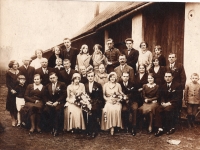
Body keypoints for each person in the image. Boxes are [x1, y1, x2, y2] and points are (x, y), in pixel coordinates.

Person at [154, 71, 182, 137]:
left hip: (174, 104)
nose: (167, 78)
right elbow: (161, 96)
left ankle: (171, 127)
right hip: (165, 103)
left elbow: (178, 98)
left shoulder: (178, 85)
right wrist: (163, 102)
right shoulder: (163, 86)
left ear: (172, 77)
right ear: (164, 78)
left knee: (168, 110)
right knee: (158, 109)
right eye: (166, 77)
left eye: (169, 76)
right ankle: (160, 128)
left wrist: (169, 103)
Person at [43, 72, 67, 136]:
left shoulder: (62, 84)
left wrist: (57, 102)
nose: (52, 79)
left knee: (57, 110)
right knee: (46, 110)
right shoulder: (48, 85)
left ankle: (57, 129)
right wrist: (47, 101)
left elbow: (64, 95)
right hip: (51, 103)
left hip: (59, 102)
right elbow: (44, 95)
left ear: (57, 77)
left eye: (53, 77)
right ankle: (51, 127)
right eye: (51, 78)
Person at [84, 71, 103, 138]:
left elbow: (100, 97)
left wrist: (93, 103)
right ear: (87, 77)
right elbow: (84, 95)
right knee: (87, 109)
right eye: (89, 76)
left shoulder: (98, 85)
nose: (90, 77)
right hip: (87, 102)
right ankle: (88, 129)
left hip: (96, 102)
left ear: (94, 77)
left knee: (93, 110)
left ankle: (94, 130)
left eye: (92, 76)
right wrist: (87, 102)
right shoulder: (85, 85)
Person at [6, 60, 21, 126]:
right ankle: (13, 119)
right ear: (11, 65)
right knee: (12, 105)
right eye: (14, 64)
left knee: (17, 105)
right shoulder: (8, 73)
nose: (15, 65)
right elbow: (7, 83)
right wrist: (11, 90)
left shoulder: (20, 72)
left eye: (16, 64)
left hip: (18, 91)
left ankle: (17, 118)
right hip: (11, 91)